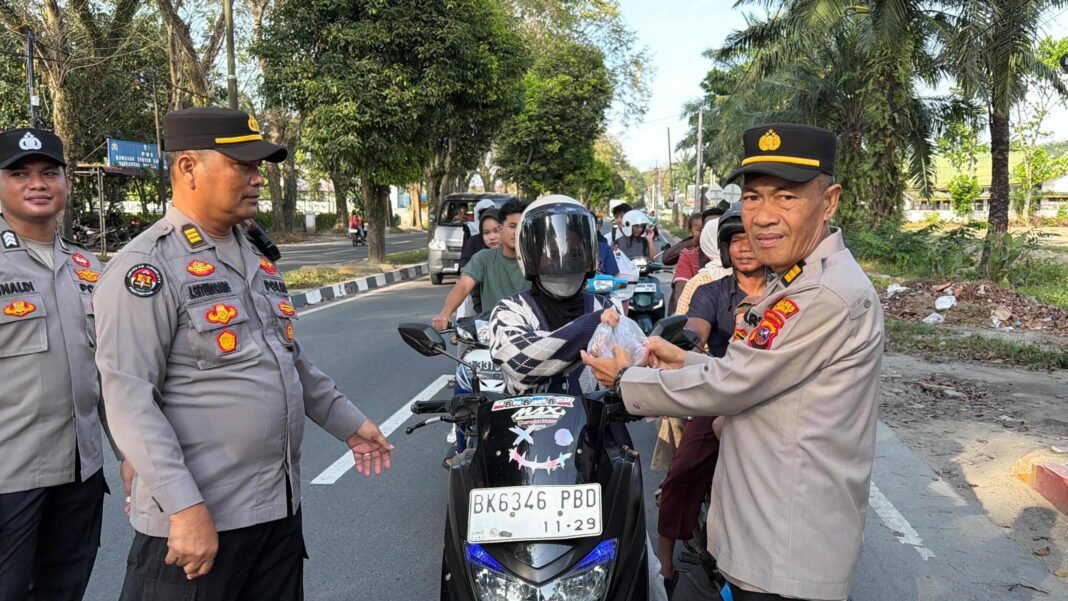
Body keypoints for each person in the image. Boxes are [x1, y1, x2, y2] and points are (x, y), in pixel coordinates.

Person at [93, 107, 394, 601]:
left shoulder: (254, 255)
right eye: (242, 165)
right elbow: (129, 400)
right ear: (188, 167)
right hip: (197, 526)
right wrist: (184, 508)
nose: (257, 178)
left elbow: (288, 359)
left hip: (276, 514)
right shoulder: (147, 266)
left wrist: (350, 424)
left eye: (258, 166)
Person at [583, 123, 884, 601]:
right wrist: (684, 359)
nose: (762, 217)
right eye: (752, 198)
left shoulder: (822, 294)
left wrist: (626, 381)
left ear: (829, 202)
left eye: (786, 198)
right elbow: (750, 369)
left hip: (786, 549)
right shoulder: (795, 279)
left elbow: (735, 382)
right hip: (770, 534)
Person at [489, 195, 669, 601]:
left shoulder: (607, 306)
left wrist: (643, 368)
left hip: (601, 448)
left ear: (588, 250)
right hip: (530, 458)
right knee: (514, 566)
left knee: (643, 570)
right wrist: (592, 326)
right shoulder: (510, 311)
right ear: (529, 254)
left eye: (572, 245)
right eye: (550, 247)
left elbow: (633, 367)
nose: (561, 256)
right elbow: (523, 362)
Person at [0, 128, 109, 601]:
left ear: (66, 183)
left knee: (65, 591)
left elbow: (110, 373)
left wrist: (131, 456)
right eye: (19, 174)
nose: (37, 184)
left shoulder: (89, 268)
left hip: (81, 474)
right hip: (10, 477)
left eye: (49, 173)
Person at [655, 212, 767, 592]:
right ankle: (665, 568)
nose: (744, 248)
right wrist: (686, 341)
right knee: (683, 472)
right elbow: (695, 327)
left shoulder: (787, 293)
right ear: (725, 247)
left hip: (772, 396)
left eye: (751, 239)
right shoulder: (711, 292)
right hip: (720, 393)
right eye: (736, 240)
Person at [432, 200, 528, 331]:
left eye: (521, 226)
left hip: (532, 332)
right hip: (492, 333)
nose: (516, 232)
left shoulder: (537, 259)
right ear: (501, 228)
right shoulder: (483, 258)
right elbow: (463, 286)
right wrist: (445, 313)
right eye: (512, 226)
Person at [668, 205, 727, 314]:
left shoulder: (739, 259)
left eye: (719, 228)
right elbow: (681, 297)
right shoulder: (697, 278)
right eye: (710, 229)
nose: (715, 233)